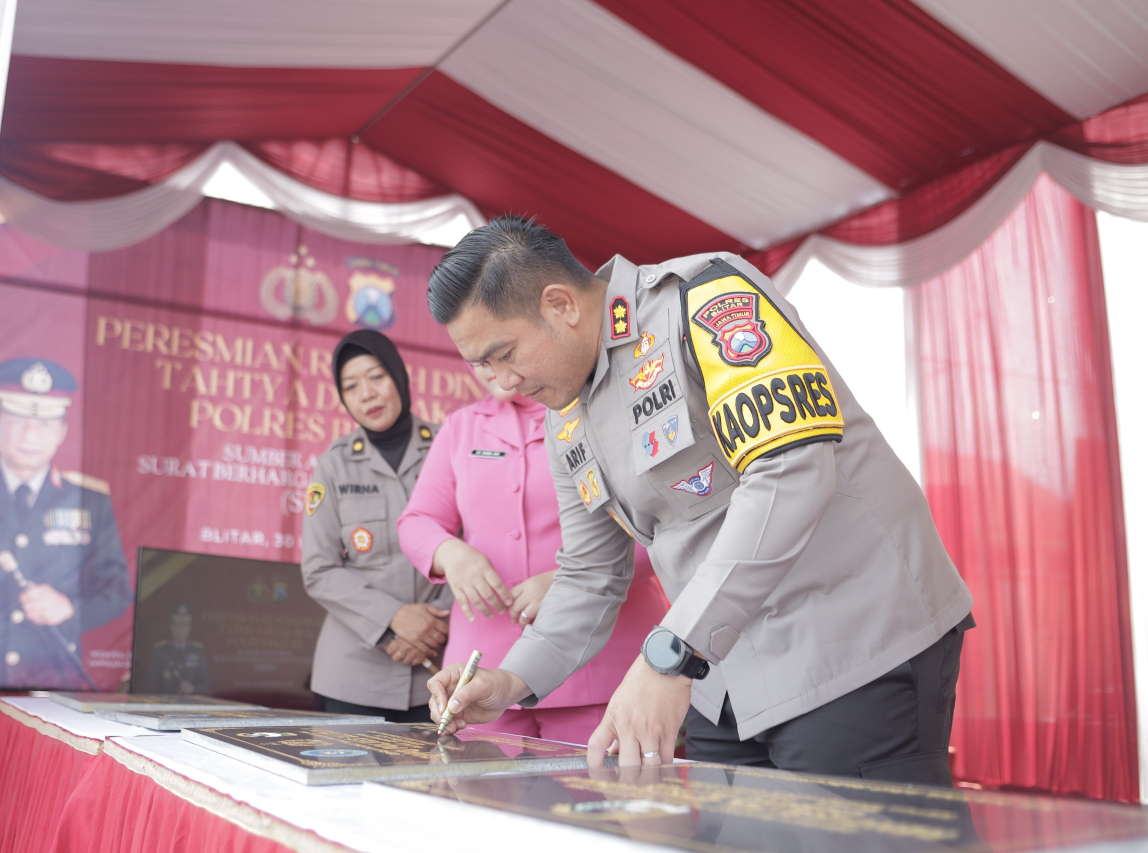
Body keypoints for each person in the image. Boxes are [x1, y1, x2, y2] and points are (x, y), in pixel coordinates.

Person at [423, 216, 975, 785]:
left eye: (504, 353)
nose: (501, 381)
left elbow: (789, 470)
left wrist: (672, 652)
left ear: (560, 304)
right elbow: (590, 576)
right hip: (719, 673)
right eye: (482, 365)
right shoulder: (566, 420)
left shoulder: (704, 299)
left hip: (849, 642)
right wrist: (509, 681)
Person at [397, 361, 667, 744]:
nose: (487, 368)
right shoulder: (461, 427)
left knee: (604, 797)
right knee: (478, 796)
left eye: (498, 351)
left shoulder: (605, 409)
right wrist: (450, 553)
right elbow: (417, 520)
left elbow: (661, 524)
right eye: (475, 358)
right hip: (484, 667)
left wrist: (565, 583)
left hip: (600, 660)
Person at [0, 358, 132, 689]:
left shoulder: (90, 501)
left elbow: (116, 592)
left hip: (47, 681)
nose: (30, 435)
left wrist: (69, 609)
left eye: (44, 424)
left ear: (62, 432)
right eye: (18, 421)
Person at [301, 330, 453, 723]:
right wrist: (393, 622)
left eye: (376, 376)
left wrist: (433, 626)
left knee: (435, 786)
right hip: (353, 676)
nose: (366, 394)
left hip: (442, 671)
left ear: (399, 377)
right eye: (351, 386)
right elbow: (319, 571)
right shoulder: (333, 465)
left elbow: (482, 545)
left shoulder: (449, 447)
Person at [140, 603, 210, 694]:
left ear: (189, 629)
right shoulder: (160, 651)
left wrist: (193, 688)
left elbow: (206, 681)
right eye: (178, 626)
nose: (181, 630)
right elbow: (150, 683)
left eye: (184, 627)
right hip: (165, 703)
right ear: (171, 628)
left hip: (190, 703)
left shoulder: (197, 651)